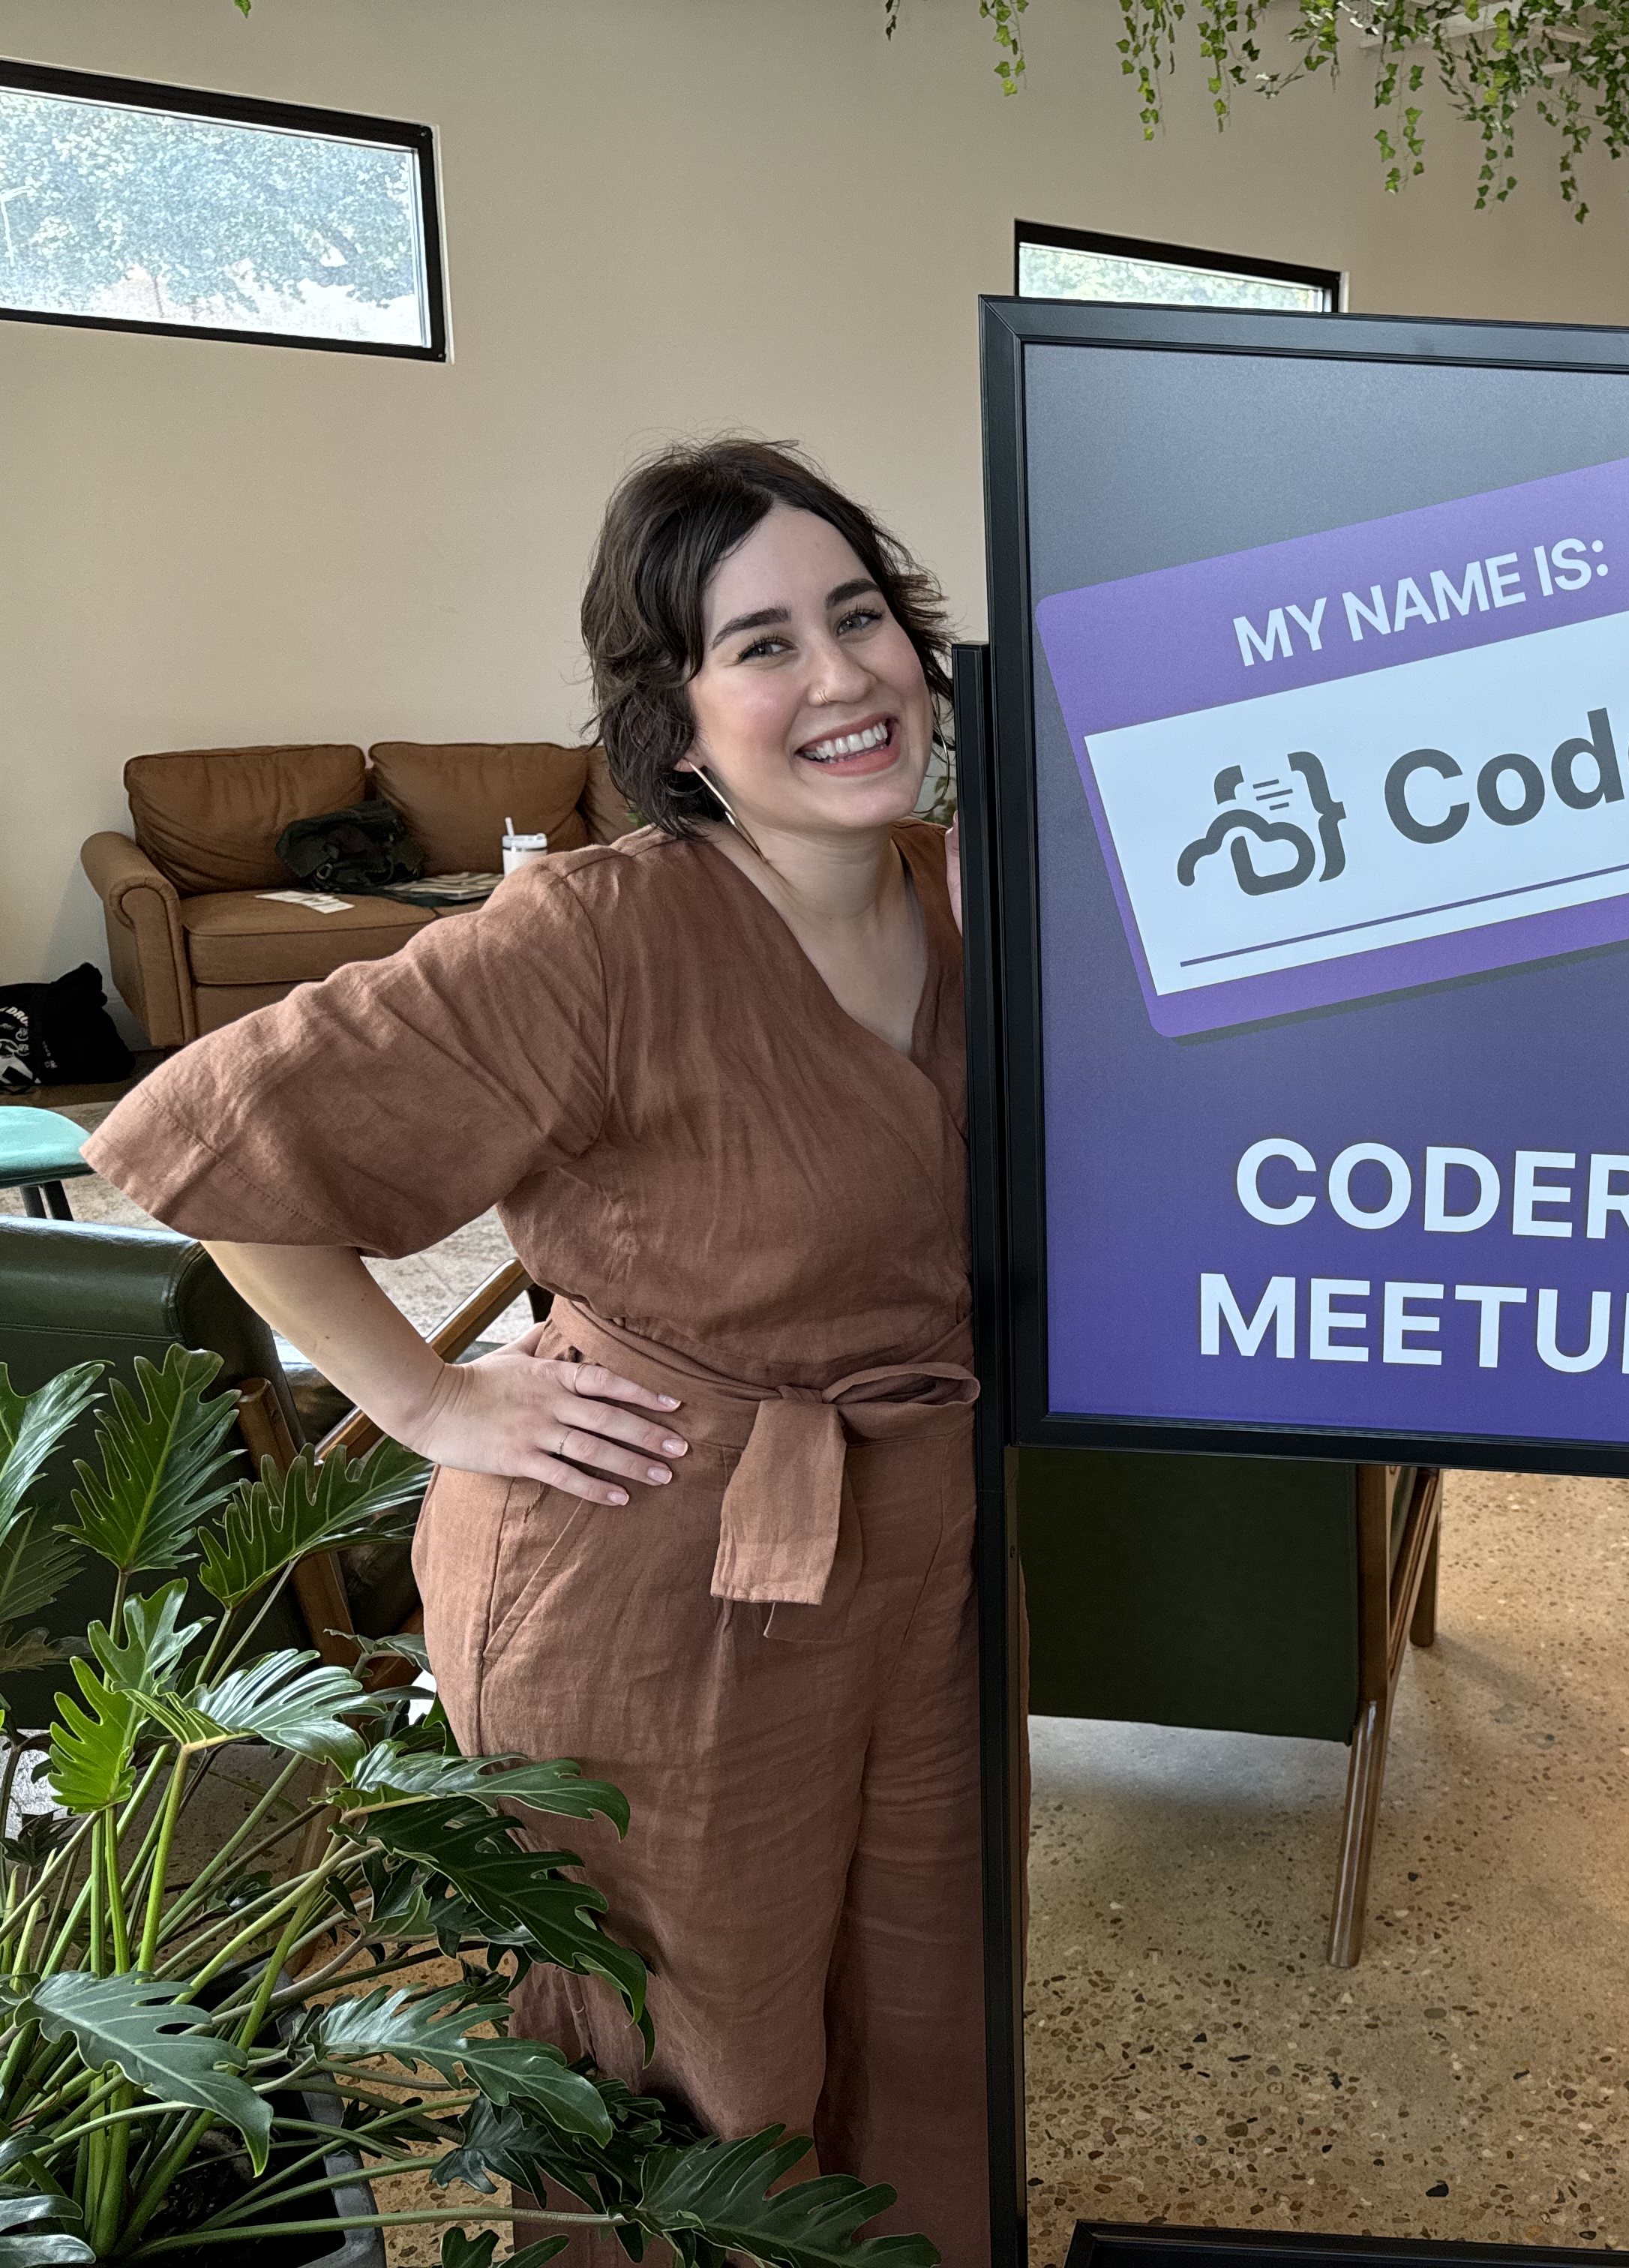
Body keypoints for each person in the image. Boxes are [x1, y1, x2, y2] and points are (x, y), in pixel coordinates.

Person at [86, 440, 990, 2265]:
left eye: (862, 615)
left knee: (921, 2007)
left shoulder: (972, 900)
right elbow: (200, 1138)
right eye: (763, 644)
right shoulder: (598, 934)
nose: (839, 676)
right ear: (674, 722)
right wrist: (423, 1395)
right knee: (694, 2055)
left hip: (925, 1557)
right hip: (653, 1570)